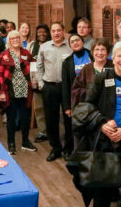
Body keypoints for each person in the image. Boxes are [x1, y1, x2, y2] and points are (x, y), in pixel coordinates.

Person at [73, 41, 121, 207]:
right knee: (103, 189)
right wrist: (102, 123)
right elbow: (88, 105)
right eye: (119, 56)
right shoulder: (101, 79)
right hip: (104, 141)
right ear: (112, 59)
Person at [36, 22, 73, 161]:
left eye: (59, 30)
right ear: (51, 33)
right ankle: (55, 148)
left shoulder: (70, 47)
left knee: (68, 119)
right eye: (53, 31)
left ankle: (68, 149)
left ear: (64, 31)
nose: (56, 33)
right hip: (49, 87)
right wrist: (41, 84)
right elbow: (39, 67)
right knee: (51, 119)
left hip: (66, 88)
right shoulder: (44, 47)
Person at [0, 30, 38, 154]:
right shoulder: (3, 55)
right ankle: (11, 143)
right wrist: (1, 92)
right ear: (9, 40)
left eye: (17, 38)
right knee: (11, 119)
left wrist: (35, 82)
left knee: (25, 118)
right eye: (12, 38)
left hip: (26, 91)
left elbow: (34, 69)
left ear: (20, 40)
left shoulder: (26, 53)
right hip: (10, 92)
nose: (15, 40)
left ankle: (25, 141)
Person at [71, 38, 113, 109]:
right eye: (97, 49)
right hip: (90, 109)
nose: (100, 53)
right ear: (92, 52)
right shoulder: (86, 69)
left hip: (110, 108)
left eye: (103, 49)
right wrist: (90, 92)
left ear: (107, 52)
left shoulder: (113, 67)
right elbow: (76, 90)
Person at [62, 34, 93, 126]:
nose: (75, 43)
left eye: (77, 40)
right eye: (72, 42)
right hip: (77, 99)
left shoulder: (92, 55)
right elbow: (65, 85)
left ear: (82, 42)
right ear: (70, 46)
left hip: (93, 96)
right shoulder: (67, 62)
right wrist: (67, 107)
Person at [28, 23, 51, 143]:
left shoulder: (51, 45)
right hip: (36, 80)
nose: (42, 34)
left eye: (44, 32)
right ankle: (43, 132)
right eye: (39, 32)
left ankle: (53, 131)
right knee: (39, 108)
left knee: (51, 108)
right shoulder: (32, 45)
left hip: (50, 81)